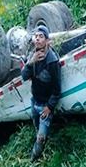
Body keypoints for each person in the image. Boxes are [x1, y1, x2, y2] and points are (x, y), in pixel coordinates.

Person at [21, 25, 60, 160]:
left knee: (41, 138)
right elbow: (24, 76)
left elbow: (57, 89)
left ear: (48, 41)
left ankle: (33, 158)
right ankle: (39, 132)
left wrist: (49, 107)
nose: (37, 39)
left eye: (41, 36)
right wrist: (30, 62)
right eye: (36, 36)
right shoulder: (33, 56)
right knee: (36, 124)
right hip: (34, 101)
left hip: (45, 105)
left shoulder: (52, 61)